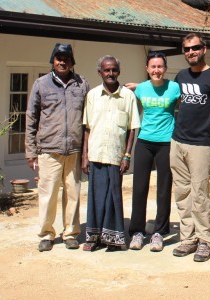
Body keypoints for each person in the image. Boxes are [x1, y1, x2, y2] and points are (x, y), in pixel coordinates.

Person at [170, 32, 210, 262]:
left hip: (201, 145)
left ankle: (205, 240)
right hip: (177, 142)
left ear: (204, 49)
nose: (191, 52)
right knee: (182, 193)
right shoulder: (180, 76)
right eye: (187, 49)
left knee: (199, 194)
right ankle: (187, 239)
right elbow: (166, 96)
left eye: (195, 48)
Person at [25, 43, 89, 252]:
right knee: (48, 195)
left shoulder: (82, 84)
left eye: (67, 58)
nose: (62, 62)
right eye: (58, 58)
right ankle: (46, 234)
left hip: (74, 151)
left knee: (73, 193)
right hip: (49, 150)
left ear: (72, 61)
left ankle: (70, 233)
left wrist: (86, 152)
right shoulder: (41, 84)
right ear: (52, 60)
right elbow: (31, 118)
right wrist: (30, 151)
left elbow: (88, 118)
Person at [82, 55, 140, 252]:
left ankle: (113, 239)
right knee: (96, 197)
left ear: (119, 72)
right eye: (106, 70)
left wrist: (127, 155)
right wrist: (84, 156)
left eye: (114, 70)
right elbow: (87, 128)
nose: (111, 73)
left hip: (116, 156)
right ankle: (93, 238)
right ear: (100, 72)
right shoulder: (92, 96)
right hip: (96, 154)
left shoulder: (128, 96)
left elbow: (132, 128)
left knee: (113, 197)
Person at [128, 52, 181, 252]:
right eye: (153, 67)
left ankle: (159, 232)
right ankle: (137, 232)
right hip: (144, 142)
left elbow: (189, 108)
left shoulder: (174, 88)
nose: (156, 70)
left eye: (160, 67)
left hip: (166, 143)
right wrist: (132, 87)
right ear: (147, 69)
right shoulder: (141, 88)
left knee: (163, 189)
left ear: (165, 68)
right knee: (139, 188)